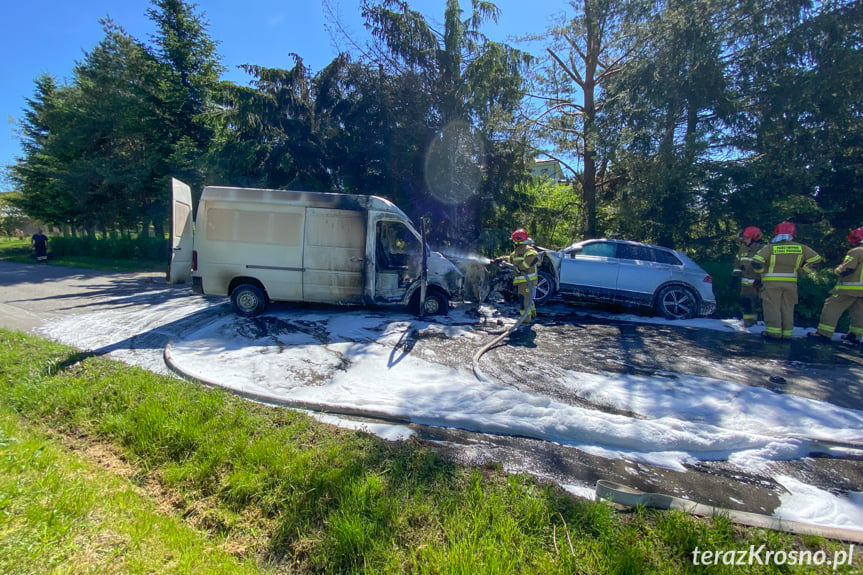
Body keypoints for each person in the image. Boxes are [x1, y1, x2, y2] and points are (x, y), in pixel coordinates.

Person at [752, 221, 821, 340]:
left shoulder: (770, 248)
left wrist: (760, 274)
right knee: (788, 308)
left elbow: (756, 262)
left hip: (771, 284)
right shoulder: (801, 248)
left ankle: (773, 333)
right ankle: (787, 334)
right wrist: (803, 271)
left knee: (772, 307)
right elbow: (816, 259)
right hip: (791, 284)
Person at [809, 227, 863, 345]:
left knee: (831, 307)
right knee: (859, 312)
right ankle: (855, 336)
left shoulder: (856, 251)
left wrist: (838, 270)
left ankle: (824, 334)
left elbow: (847, 269)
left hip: (849, 288)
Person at [504, 228, 539, 326]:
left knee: (524, 299)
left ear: (519, 240)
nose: (513, 242)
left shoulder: (527, 249)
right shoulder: (518, 250)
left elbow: (534, 257)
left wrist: (521, 268)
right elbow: (511, 259)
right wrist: (500, 260)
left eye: (514, 240)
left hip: (527, 280)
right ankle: (532, 315)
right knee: (528, 298)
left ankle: (525, 320)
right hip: (523, 281)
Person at [733, 226, 764, 327]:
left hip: (757, 282)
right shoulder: (743, 248)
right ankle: (747, 322)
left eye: (746, 238)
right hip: (745, 282)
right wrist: (735, 276)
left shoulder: (762, 249)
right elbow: (738, 262)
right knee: (745, 302)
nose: (743, 240)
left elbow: (766, 265)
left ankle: (754, 322)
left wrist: (761, 279)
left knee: (755, 303)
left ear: (754, 237)